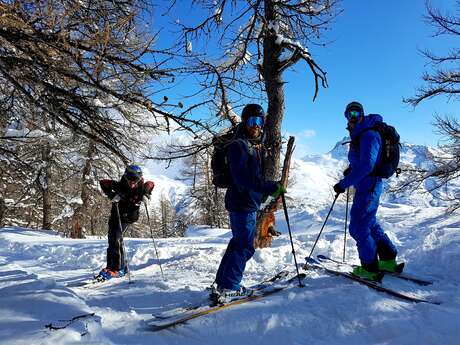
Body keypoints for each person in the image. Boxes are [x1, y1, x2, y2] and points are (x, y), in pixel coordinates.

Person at [211, 104, 286, 303]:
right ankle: (230, 286)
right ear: (245, 122)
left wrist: (262, 193)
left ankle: (222, 283)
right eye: (252, 121)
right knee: (245, 246)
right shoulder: (239, 145)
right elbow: (241, 179)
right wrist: (270, 187)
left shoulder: (254, 144)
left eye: (259, 121)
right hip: (241, 202)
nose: (256, 125)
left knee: (238, 243)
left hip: (246, 202)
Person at [333, 101, 400, 282]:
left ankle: (369, 267)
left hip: (368, 186)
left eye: (356, 113)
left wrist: (343, 183)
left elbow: (367, 166)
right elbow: (364, 162)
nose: (352, 117)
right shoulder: (361, 134)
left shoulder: (369, 134)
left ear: (362, 114)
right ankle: (387, 259)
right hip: (366, 185)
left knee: (358, 227)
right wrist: (351, 170)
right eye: (349, 114)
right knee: (369, 223)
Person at [97, 165, 154, 280]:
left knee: (117, 238)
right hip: (115, 216)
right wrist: (112, 194)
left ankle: (119, 268)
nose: (132, 182)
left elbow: (151, 183)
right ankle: (111, 266)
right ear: (125, 177)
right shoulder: (119, 185)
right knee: (112, 240)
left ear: (139, 179)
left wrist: (146, 194)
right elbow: (103, 182)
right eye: (130, 179)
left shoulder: (141, 187)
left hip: (128, 218)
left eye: (135, 180)